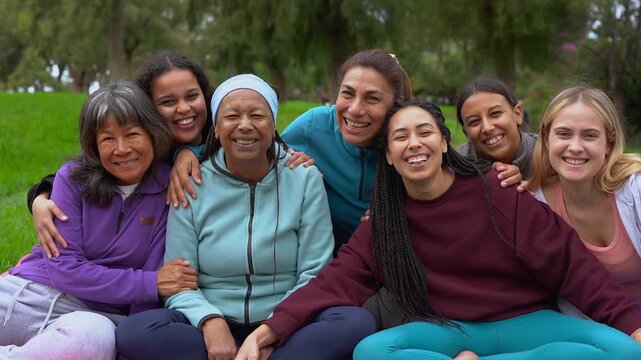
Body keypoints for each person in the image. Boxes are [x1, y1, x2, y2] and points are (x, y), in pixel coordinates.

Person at [236, 100, 641, 360]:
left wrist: (632, 325)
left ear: (444, 143)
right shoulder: (387, 221)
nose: (414, 143)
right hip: (448, 330)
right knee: (372, 352)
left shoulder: (499, 191)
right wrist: (272, 328)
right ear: (390, 157)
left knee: (622, 349)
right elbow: (337, 282)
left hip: (525, 323)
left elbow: (573, 267)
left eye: (425, 132)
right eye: (401, 137)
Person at [115, 74, 374, 360]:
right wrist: (210, 322)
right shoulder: (191, 182)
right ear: (216, 126)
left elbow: (315, 271)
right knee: (134, 331)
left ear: (273, 123)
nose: (245, 125)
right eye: (232, 116)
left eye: (257, 115)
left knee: (355, 322)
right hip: (212, 325)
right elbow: (181, 281)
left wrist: (275, 329)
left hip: (289, 321)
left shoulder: (303, 178)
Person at [0, 81, 197, 359]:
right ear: (93, 144)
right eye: (107, 139)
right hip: (29, 294)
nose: (121, 149)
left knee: (93, 341)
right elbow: (64, 269)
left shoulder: (169, 188)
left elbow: (152, 288)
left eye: (132, 134)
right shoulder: (72, 179)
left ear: (153, 133)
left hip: (90, 318)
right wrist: (148, 283)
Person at [27, 51, 213, 259]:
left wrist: (191, 151)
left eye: (192, 96)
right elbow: (81, 173)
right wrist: (40, 198)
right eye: (168, 102)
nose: (184, 108)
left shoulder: (224, 131)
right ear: (147, 109)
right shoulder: (140, 149)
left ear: (204, 94)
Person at [529, 86, 641, 307]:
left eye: (589, 135)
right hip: (595, 320)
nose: (575, 147)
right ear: (546, 138)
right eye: (564, 134)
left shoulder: (635, 187)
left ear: (608, 144)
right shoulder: (539, 206)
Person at [456, 77, 538, 180]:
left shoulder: (549, 156)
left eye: (495, 114)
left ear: (517, 114)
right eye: (474, 121)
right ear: (466, 133)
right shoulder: (455, 169)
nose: (487, 128)